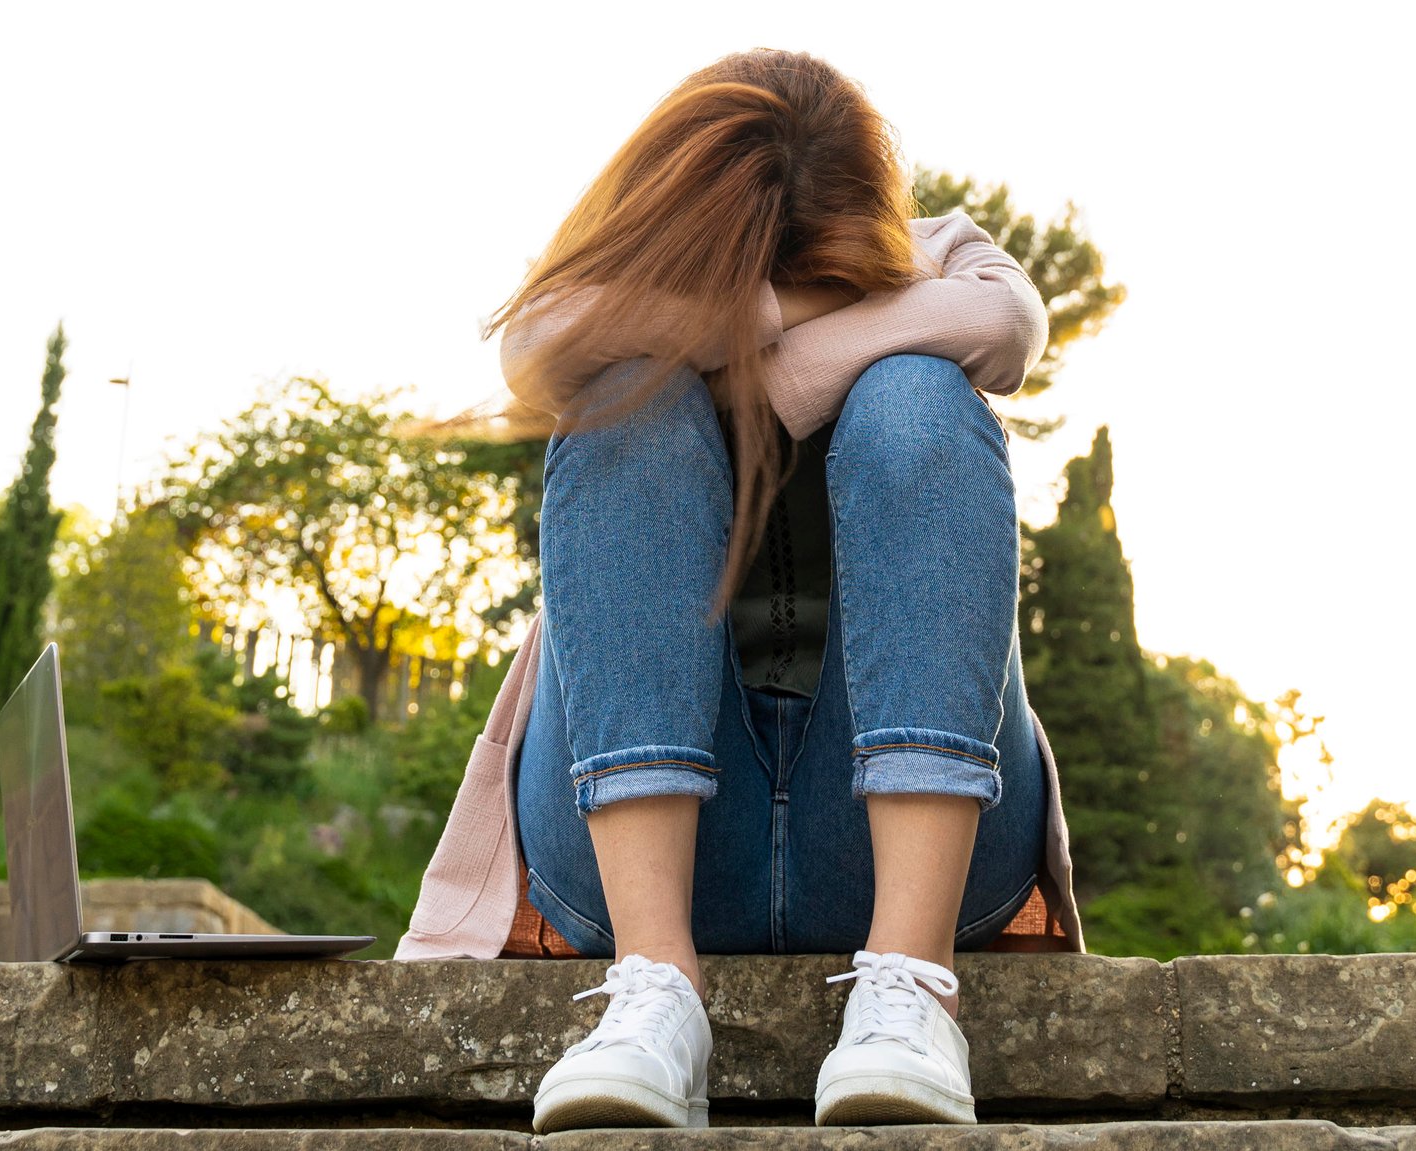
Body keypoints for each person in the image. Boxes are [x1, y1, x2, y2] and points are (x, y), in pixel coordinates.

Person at [395, 48, 1085, 1131]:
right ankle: (651, 987)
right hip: (646, 852)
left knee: (916, 397)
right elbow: (532, 353)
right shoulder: (608, 279)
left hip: (889, 850)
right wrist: (753, 312)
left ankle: (911, 979)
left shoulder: (937, 249)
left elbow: (1008, 327)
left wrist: (801, 366)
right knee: (624, 395)